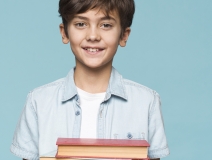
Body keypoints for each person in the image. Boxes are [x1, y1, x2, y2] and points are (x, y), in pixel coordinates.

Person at [10, 0, 170, 160]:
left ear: (124, 35)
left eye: (106, 25)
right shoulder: (38, 102)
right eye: (81, 24)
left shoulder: (147, 102)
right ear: (64, 32)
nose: (93, 36)